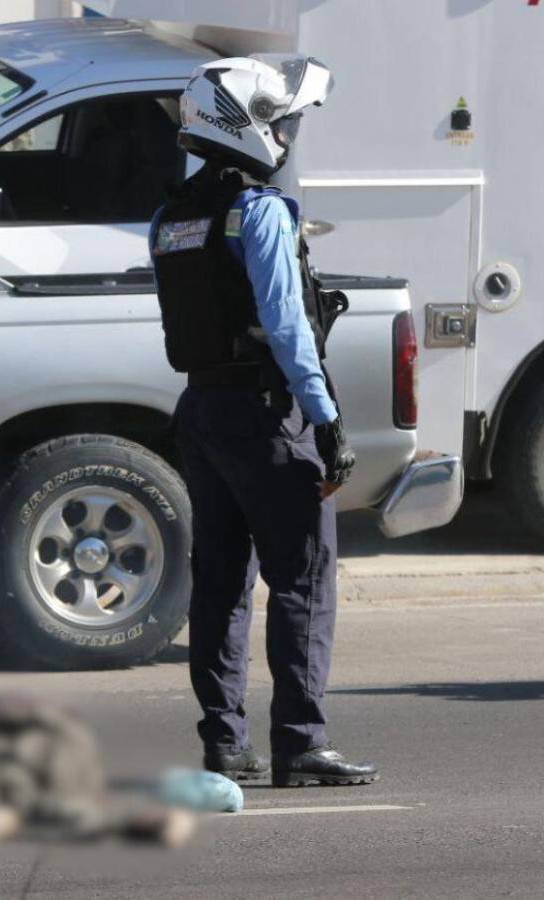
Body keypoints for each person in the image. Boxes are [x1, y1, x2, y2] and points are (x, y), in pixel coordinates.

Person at [149, 54, 378, 788]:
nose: (289, 134)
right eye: (283, 121)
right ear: (249, 126)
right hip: (266, 414)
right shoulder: (262, 211)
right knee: (303, 579)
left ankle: (225, 744)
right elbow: (287, 327)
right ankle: (300, 743)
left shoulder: (170, 219)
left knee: (218, 583)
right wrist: (327, 416)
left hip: (201, 412)